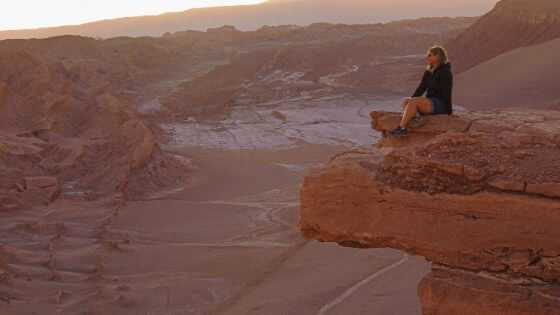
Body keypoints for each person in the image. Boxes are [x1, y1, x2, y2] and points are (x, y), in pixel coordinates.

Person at [389, 45, 453, 136]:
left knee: (413, 102)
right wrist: (410, 101)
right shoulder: (429, 72)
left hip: (440, 104)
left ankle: (401, 128)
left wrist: (448, 111)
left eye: (430, 55)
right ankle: (418, 118)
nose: (427, 57)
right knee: (405, 101)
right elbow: (421, 88)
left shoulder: (445, 72)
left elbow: (447, 92)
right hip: (430, 102)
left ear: (437, 56)